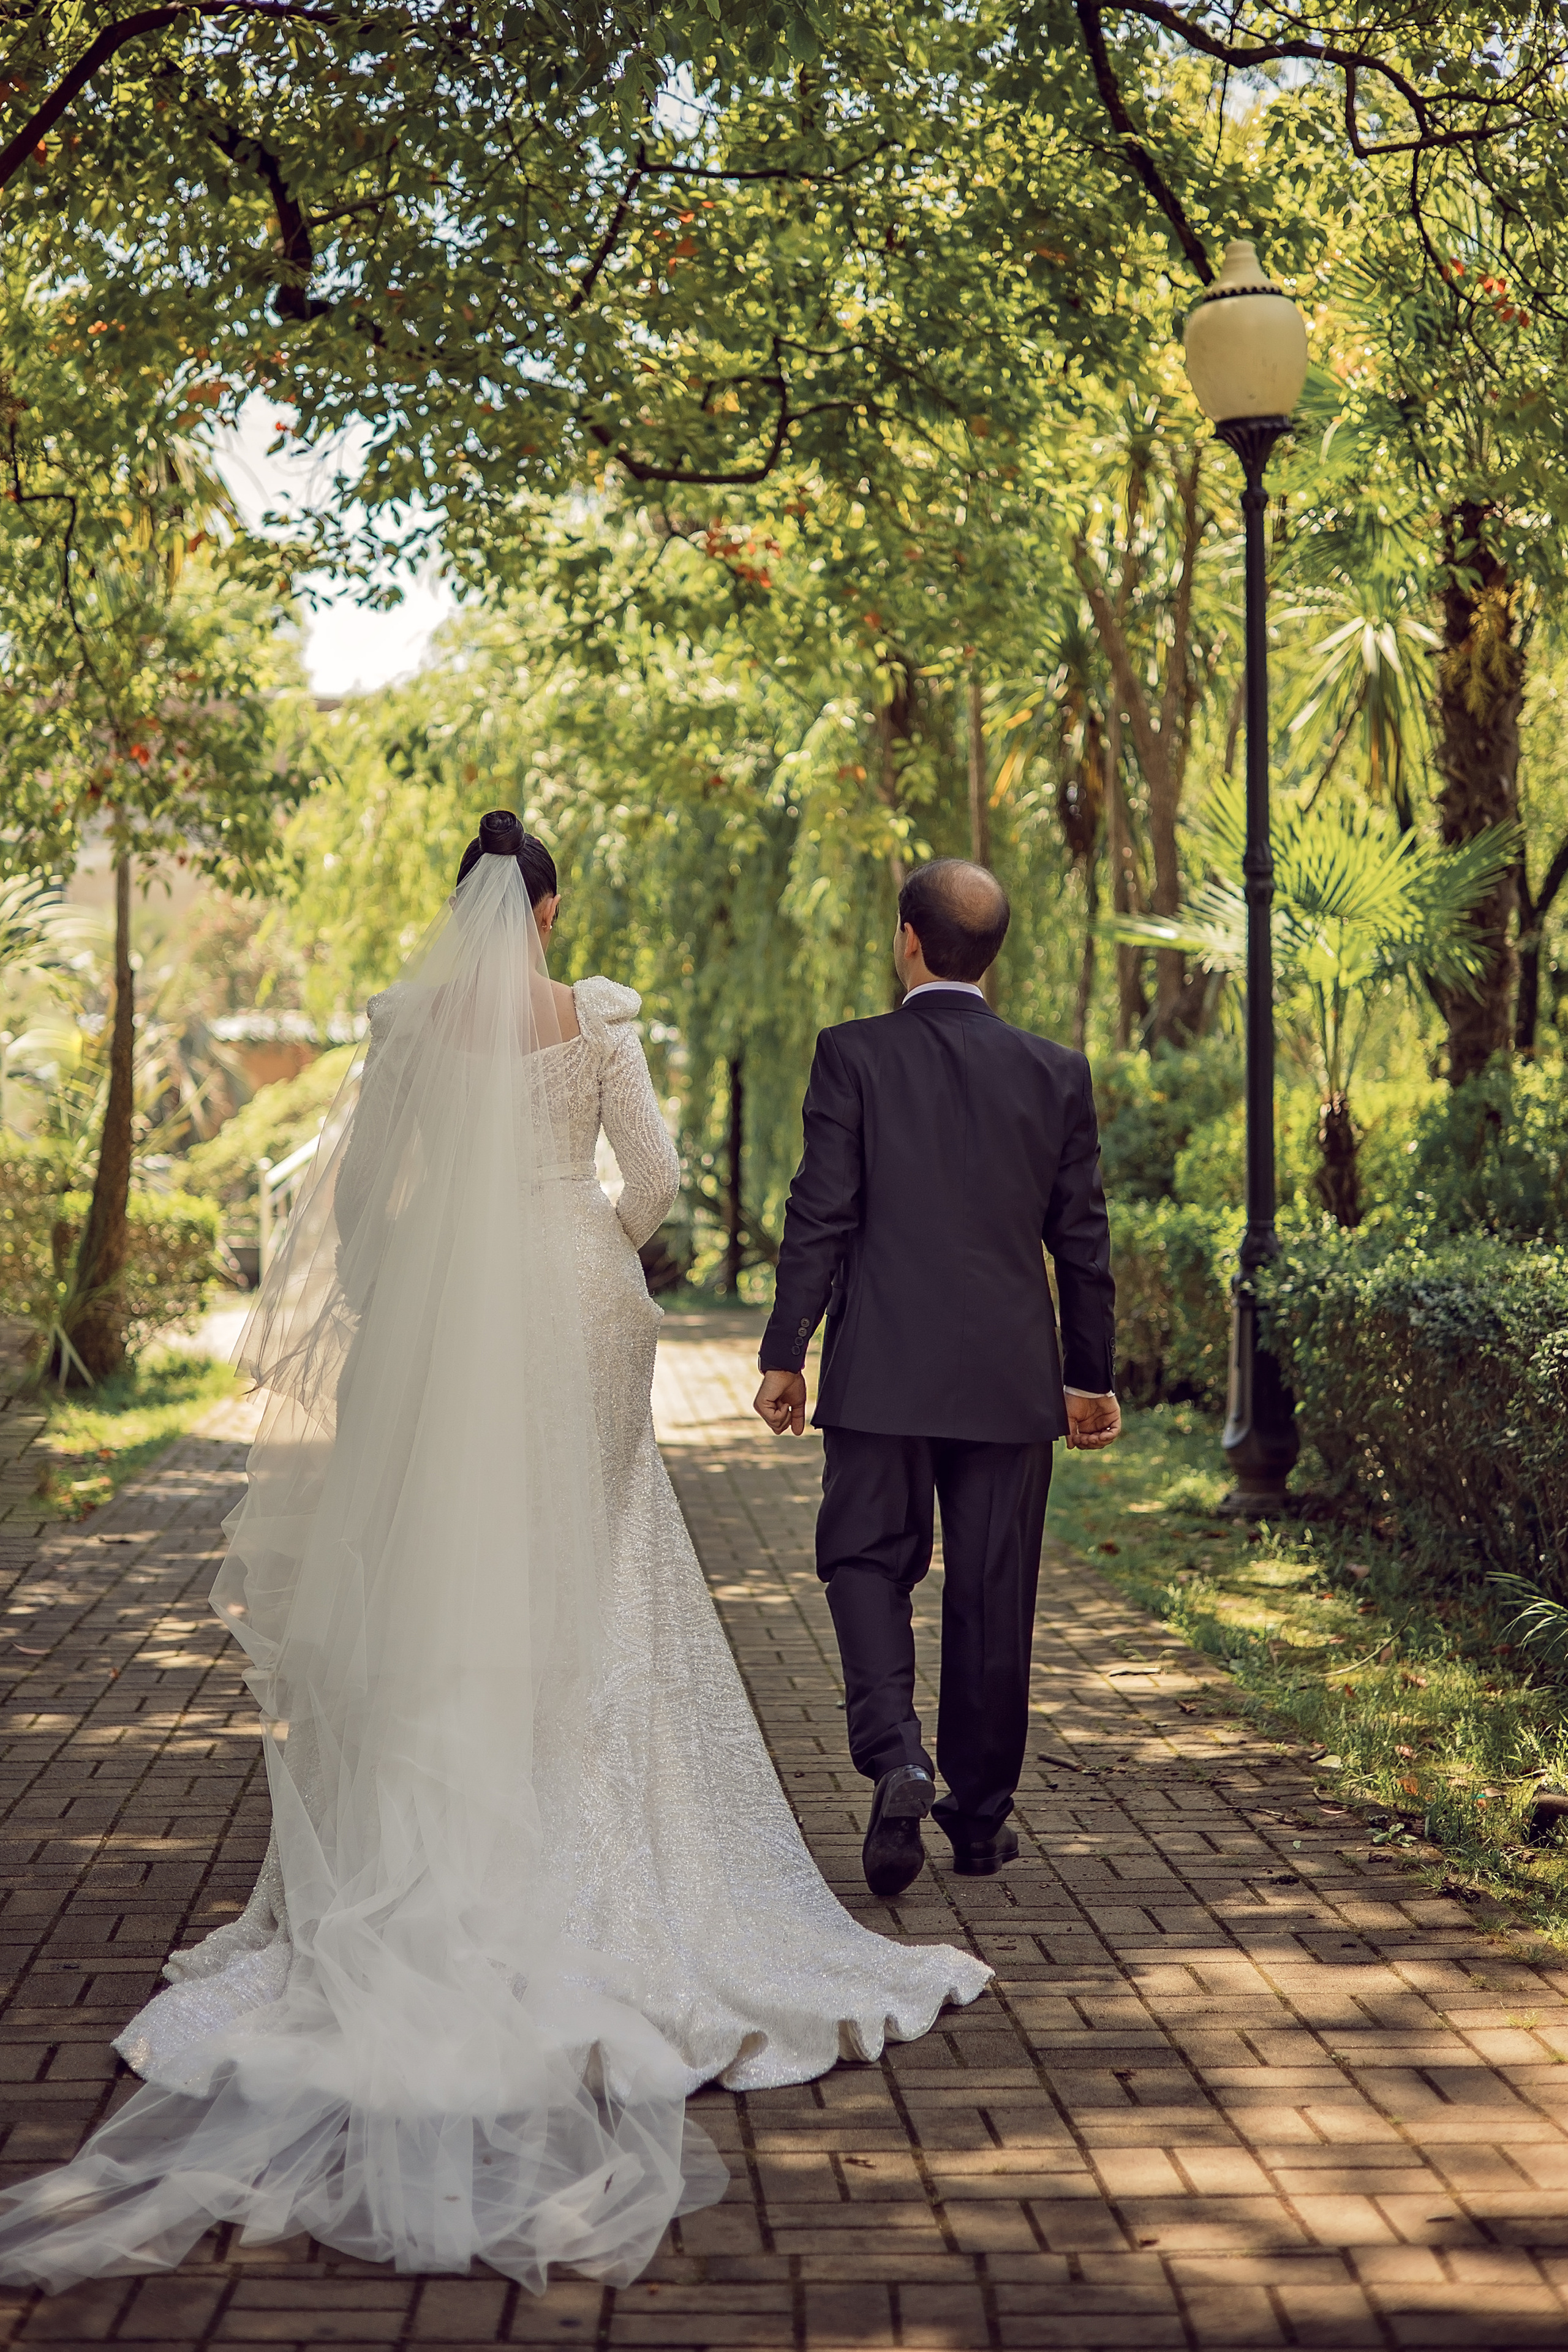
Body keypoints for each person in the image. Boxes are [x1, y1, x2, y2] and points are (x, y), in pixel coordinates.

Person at [0, 813, 989, 2296]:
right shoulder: (591, 1020)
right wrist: (582, 1237)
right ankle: (604, 1837)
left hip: (453, 1318)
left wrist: (416, 1285)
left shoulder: (406, 1032)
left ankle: (448, 1841)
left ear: (461, 907)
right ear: (543, 909)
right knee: (590, 1558)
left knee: (452, 1569)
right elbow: (647, 1181)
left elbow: (357, 1207)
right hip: (580, 1298)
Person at [753, 859, 1120, 1900]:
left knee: (866, 1560)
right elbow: (1082, 1240)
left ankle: (897, 1756)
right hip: (1011, 1378)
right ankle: (978, 1817)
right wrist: (1087, 1376)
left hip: (881, 1368)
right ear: (988, 951)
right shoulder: (1055, 1071)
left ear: (909, 939)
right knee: (995, 1591)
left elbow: (819, 1209)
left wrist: (789, 1350)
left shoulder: (853, 1056)